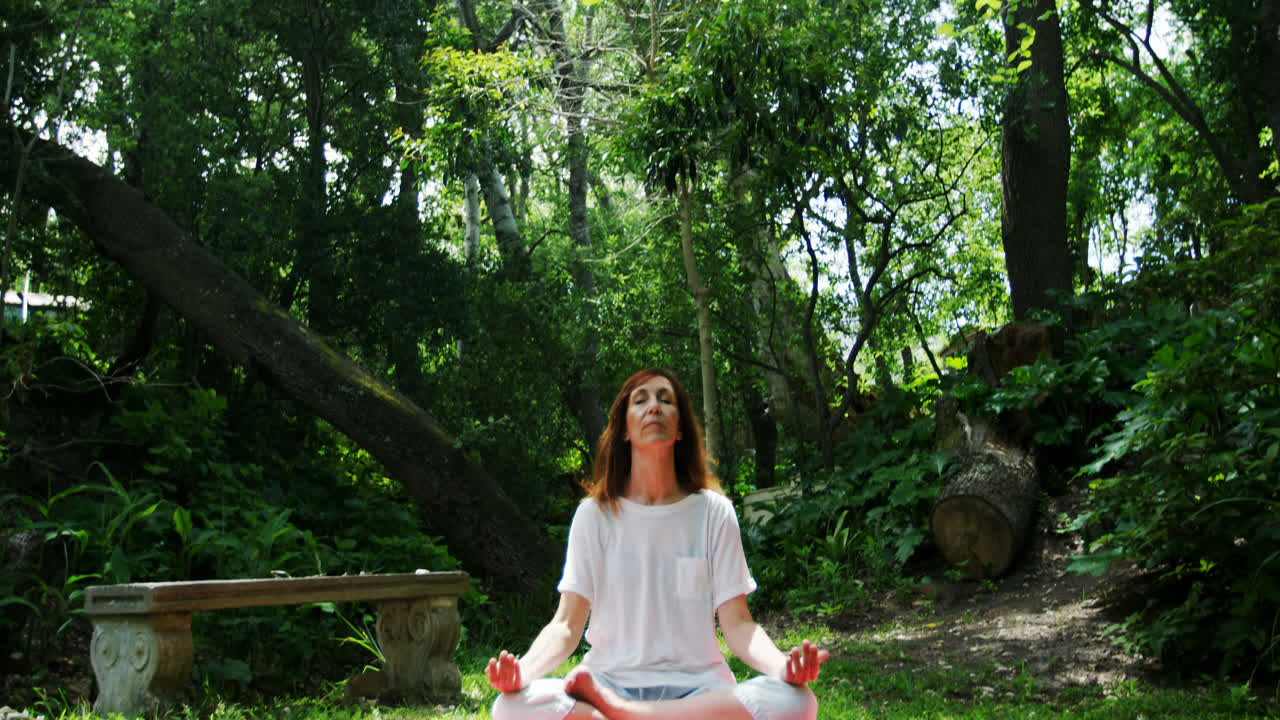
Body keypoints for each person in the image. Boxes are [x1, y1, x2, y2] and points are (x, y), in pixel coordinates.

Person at [488, 369, 828, 720]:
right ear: (623, 428)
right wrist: (523, 673)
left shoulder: (714, 512)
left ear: (680, 428)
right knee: (510, 707)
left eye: (666, 400)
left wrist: (783, 668)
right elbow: (565, 625)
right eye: (641, 400)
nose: (654, 407)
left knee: (796, 701)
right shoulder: (594, 516)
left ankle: (625, 715)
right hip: (607, 683)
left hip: (699, 689)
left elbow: (739, 625)